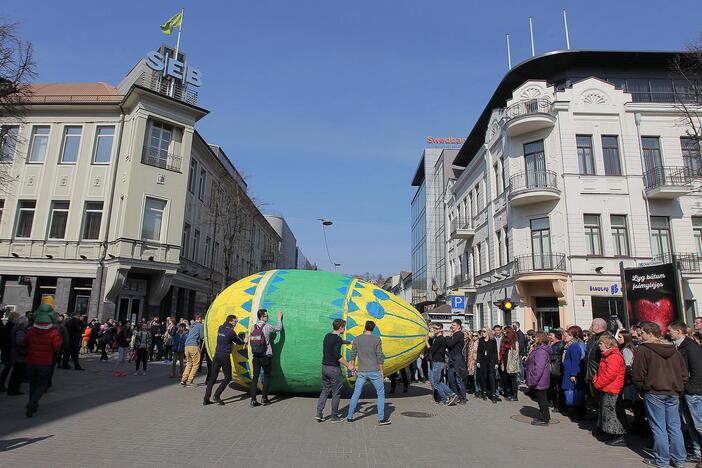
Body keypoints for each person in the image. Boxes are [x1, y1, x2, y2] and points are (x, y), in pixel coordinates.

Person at [632, 321, 688, 467]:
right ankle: (679, 460)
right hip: (673, 391)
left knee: (659, 427)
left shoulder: (643, 350)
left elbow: (638, 373)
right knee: (674, 426)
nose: (640, 335)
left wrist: (641, 388)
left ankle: (662, 460)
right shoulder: (674, 349)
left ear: (649, 333)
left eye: (642, 333)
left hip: (654, 391)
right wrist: (679, 386)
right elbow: (683, 373)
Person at [346, 320, 391, 425]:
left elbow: (353, 354)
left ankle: (349, 416)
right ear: (373, 328)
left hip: (362, 370)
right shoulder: (376, 339)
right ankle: (381, 418)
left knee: (356, 393)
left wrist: (352, 367)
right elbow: (379, 356)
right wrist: (381, 371)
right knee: (380, 393)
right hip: (374, 370)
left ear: (365, 327)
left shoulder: (357, 339)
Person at [669, 321, 702, 463]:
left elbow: (698, 370)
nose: (668, 332)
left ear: (678, 331)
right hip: (682, 390)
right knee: (690, 424)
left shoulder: (691, 346)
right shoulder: (676, 346)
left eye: (670, 330)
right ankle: (698, 452)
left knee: (699, 424)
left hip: (693, 391)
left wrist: (690, 388)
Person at [24, 304, 62, 417]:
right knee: (41, 384)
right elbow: (57, 346)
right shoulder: (54, 332)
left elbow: (25, 342)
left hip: (31, 360)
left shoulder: (32, 330)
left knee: (33, 384)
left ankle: (32, 404)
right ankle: (33, 402)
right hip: (45, 362)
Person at [315, 319, 355, 422]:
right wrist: (348, 366)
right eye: (344, 327)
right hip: (334, 369)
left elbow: (339, 341)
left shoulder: (328, 336)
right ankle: (334, 416)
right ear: (340, 327)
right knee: (336, 393)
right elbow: (337, 355)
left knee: (325, 390)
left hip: (325, 367)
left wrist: (349, 342)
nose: (345, 329)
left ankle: (319, 414)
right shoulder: (337, 339)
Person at [204, 315, 247, 406]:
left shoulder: (220, 328)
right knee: (228, 377)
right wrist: (245, 341)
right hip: (224, 356)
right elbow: (239, 342)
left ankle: (206, 399)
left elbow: (225, 339)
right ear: (230, 321)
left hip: (217, 355)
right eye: (235, 321)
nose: (236, 323)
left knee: (212, 378)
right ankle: (217, 395)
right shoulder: (231, 332)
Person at [592, 334, 627, 446]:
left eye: (601, 344)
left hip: (612, 388)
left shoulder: (614, 356)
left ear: (607, 344)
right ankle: (610, 432)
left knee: (612, 412)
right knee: (607, 412)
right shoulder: (607, 355)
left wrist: (598, 383)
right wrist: (596, 378)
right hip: (607, 387)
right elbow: (601, 371)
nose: (599, 346)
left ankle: (618, 435)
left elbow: (610, 374)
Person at [249, 309, 283, 406]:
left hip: (255, 356)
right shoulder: (267, 327)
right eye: (266, 316)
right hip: (265, 356)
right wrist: (279, 318)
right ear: (262, 317)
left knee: (255, 378)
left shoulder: (253, 327)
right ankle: (264, 398)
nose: (267, 317)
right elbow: (278, 328)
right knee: (267, 376)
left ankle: (253, 399)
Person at [424, 323, 458, 406]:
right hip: (438, 362)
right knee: (437, 381)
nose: (434, 330)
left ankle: (445, 398)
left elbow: (431, 350)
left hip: (438, 362)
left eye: (436, 328)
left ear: (440, 329)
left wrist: (426, 341)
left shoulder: (440, 339)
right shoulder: (439, 338)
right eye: (433, 328)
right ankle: (451, 394)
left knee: (436, 383)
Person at [526, 331, 551, 426]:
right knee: (541, 400)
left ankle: (545, 419)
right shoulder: (538, 349)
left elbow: (539, 368)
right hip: (539, 379)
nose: (534, 339)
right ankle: (543, 416)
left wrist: (533, 380)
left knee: (542, 400)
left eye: (535, 337)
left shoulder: (541, 351)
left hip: (540, 379)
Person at [562, 325, 587, 419]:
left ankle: (578, 412)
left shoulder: (575, 346)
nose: (565, 337)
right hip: (568, 372)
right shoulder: (569, 346)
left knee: (575, 393)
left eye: (567, 335)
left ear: (573, 336)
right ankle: (574, 411)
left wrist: (573, 374)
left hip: (572, 373)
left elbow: (576, 361)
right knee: (571, 392)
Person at [445, 319, 468, 403]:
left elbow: (450, 344)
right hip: (452, 359)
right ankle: (455, 396)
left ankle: (463, 398)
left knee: (458, 380)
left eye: (454, 325)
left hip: (457, 359)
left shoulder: (459, 334)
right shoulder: (454, 335)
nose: (452, 326)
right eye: (452, 325)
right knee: (451, 380)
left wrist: (447, 337)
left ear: (458, 326)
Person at [7, 316, 29, 396]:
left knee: (16, 373)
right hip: (19, 354)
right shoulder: (20, 330)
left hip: (17, 353)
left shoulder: (17, 329)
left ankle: (14, 389)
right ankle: (13, 390)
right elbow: (20, 342)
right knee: (17, 373)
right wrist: (27, 342)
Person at [181, 314, 205, 387]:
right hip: (193, 345)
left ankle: (183, 379)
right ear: (200, 319)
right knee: (196, 364)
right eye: (202, 319)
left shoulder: (192, 325)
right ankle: (190, 381)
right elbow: (202, 337)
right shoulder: (200, 325)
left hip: (187, 345)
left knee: (189, 363)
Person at [477, 327, 499, 403]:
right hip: (483, 361)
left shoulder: (493, 340)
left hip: (491, 361)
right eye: (482, 331)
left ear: (488, 332)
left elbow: (495, 352)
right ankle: (484, 393)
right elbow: (479, 351)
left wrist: (496, 362)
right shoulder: (481, 340)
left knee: (492, 377)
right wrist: (478, 361)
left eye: (484, 331)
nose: (482, 333)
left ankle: (493, 395)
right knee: (484, 377)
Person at [498, 326, 520, 401]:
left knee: (513, 379)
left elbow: (516, 353)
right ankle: (508, 393)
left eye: (505, 331)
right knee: (505, 378)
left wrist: (513, 363)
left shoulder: (514, 340)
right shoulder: (503, 339)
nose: (504, 332)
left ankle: (515, 395)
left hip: (511, 362)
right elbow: (501, 350)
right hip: (504, 360)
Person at [0, 311, 19, 392]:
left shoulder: (7, 326)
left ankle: (1, 384)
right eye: (17, 318)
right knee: (6, 369)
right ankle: (1, 384)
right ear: (14, 318)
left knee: (6, 368)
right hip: (8, 351)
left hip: (6, 350)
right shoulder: (11, 327)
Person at [548, 329, 565, 412]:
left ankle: (558, 405)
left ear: (555, 336)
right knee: (553, 387)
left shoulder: (560, 344)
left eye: (551, 335)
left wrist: (548, 357)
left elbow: (558, 357)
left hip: (557, 368)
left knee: (557, 387)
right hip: (552, 368)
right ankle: (553, 402)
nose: (549, 337)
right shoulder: (551, 344)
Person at [467, 331, 480, 396]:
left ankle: (480, 389)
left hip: (478, 361)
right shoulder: (471, 343)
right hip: (471, 361)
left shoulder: (480, 343)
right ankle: (477, 390)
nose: (474, 337)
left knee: (478, 376)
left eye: (476, 336)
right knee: (474, 377)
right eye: (473, 336)